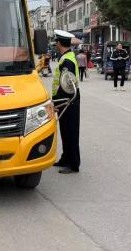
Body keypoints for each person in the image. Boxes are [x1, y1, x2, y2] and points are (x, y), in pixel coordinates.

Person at [51, 30, 81, 174]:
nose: (55, 44)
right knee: (65, 130)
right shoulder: (66, 57)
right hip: (66, 99)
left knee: (71, 131)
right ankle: (65, 158)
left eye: (56, 42)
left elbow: (66, 85)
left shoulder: (67, 60)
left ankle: (73, 163)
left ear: (59, 43)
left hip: (69, 99)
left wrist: (56, 102)